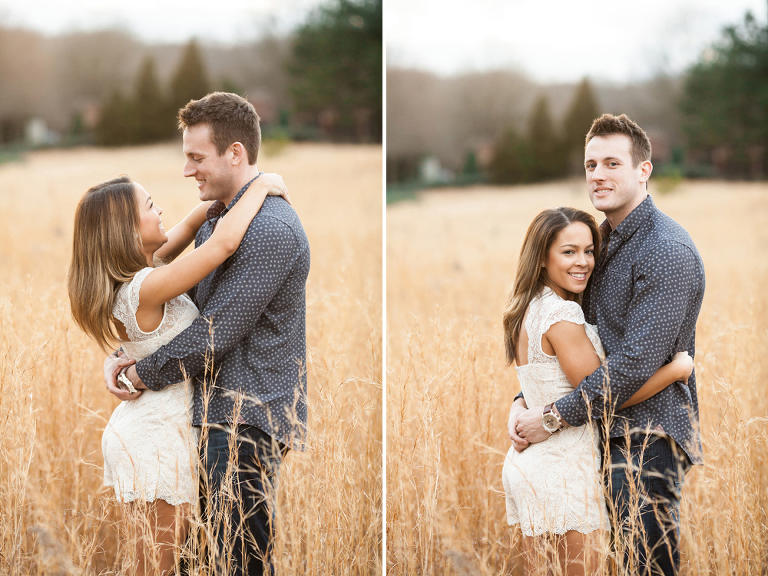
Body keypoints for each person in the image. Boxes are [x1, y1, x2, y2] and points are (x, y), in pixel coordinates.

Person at [103, 92, 310, 576]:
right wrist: (127, 353)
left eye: (196, 157)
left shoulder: (269, 230)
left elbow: (216, 333)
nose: (186, 170)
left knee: (241, 564)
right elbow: (178, 308)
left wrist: (140, 372)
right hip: (206, 420)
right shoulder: (222, 218)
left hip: (243, 421)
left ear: (234, 153)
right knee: (203, 564)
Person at [511, 114, 705, 576]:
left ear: (644, 170)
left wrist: (553, 416)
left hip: (645, 436)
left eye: (612, 163)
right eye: (591, 164)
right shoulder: (598, 241)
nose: (597, 175)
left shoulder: (665, 250)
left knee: (647, 568)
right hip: (597, 435)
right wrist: (527, 400)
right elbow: (569, 345)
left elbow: (635, 363)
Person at [68, 172, 289, 575]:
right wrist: (260, 185)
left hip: (159, 429)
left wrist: (225, 192)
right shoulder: (146, 287)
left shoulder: (145, 273)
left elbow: (193, 220)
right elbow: (222, 244)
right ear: (128, 233)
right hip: (155, 441)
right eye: (150, 206)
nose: (161, 210)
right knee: (157, 568)